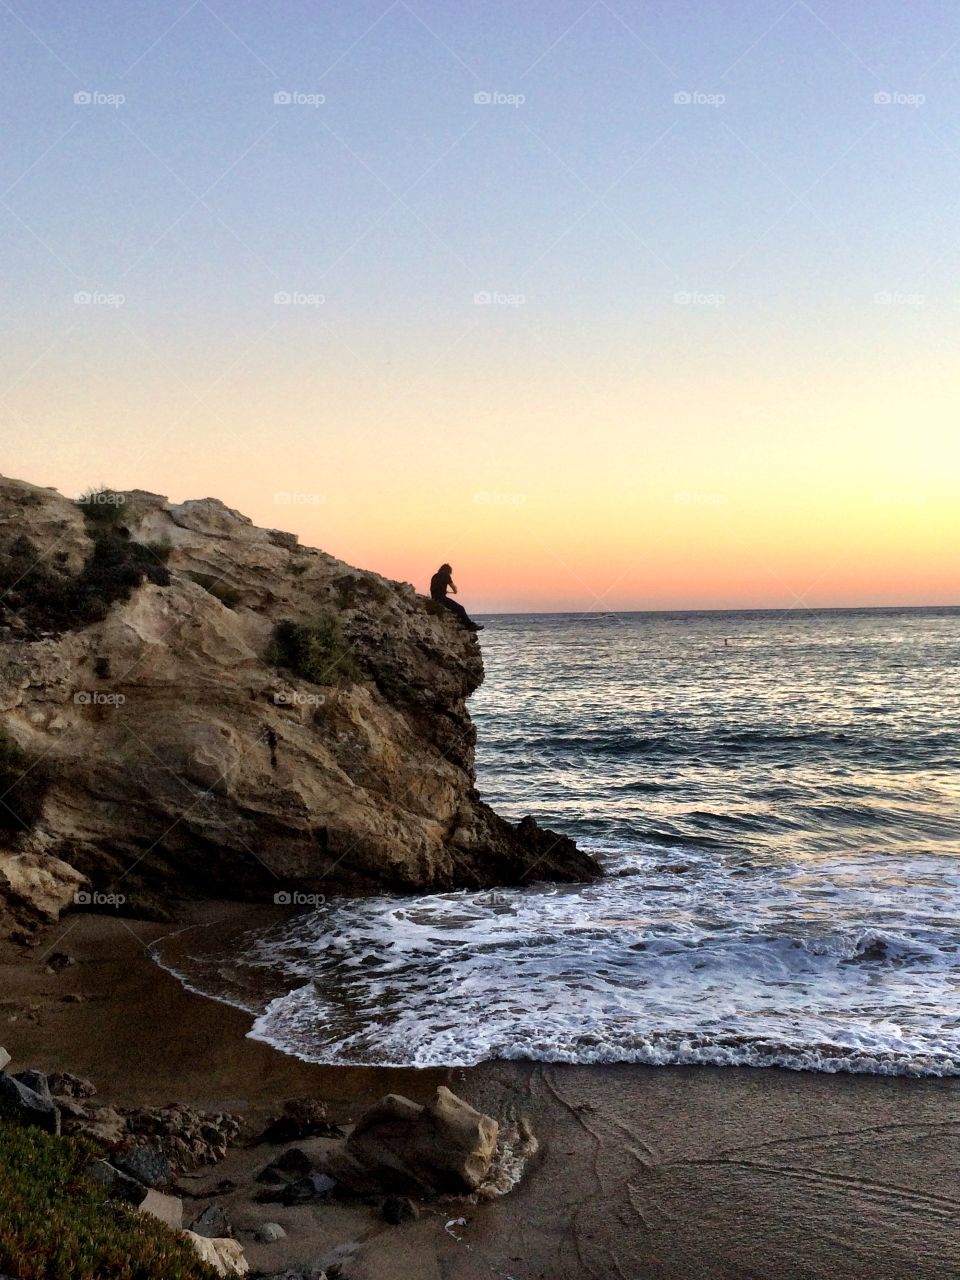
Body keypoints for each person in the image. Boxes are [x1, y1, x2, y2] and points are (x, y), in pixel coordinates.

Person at [429, 563, 483, 631]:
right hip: (441, 598)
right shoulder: (446, 575)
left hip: (434, 598)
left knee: (455, 608)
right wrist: (455, 591)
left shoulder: (435, 576)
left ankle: (467, 624)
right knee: (460, 608)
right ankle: (470, 625)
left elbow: (435, 588)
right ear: (449, 571)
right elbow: (453, 587)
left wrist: (444, 591)